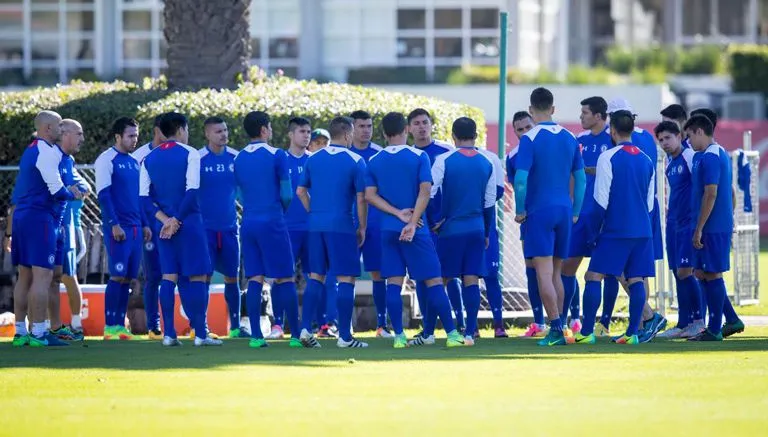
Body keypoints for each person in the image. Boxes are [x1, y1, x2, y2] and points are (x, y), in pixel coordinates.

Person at [365, 112, 465, 348]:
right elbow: (425, 190)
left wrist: (397, 213)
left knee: (393, 284)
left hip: (388, 229)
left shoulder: (374, 161)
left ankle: (399, 336)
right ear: (406, 130)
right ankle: (452, 335)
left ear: (383, 134)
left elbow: (370, 196)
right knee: (434, 282)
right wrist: (412, 221)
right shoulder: (419, 156)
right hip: (416, 230)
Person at [575, 109, 655, 345]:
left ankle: (587, 331)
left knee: (593, 276)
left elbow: (600, 201)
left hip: (615, 229)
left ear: (612, 130)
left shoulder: (607, 157)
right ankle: (632, 334)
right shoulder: (646, 160)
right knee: (636, 279)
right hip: (642, 229)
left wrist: (593, 232)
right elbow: (650, 204)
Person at [513, 87, 586, 346]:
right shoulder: (569, 137)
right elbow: (581, 179)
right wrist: (575, 211)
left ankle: (555, 328)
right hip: (564, 211)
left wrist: (520, 210)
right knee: (557, 273)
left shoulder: (529, 139)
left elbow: (520, 180)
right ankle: (563, 324)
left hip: (539, 211)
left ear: (532, 110)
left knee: (543, 274)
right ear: (553, 109)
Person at [140, 111, 220, 347]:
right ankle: (200, 334)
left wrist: (165, 220)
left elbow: (143, 200)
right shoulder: (190, 154)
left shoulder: (149, 158)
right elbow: (192, 190)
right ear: (181, 129)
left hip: (163, 227)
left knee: (168, 276)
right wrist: (176, 219)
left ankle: (169, 334)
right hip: (189, 223)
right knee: (197, 276)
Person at [9, 111, 84, 347]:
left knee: (26, 276)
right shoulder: (45, 150)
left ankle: (21, 333)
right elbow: (57, 190)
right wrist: (74, 193)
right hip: (40, 219)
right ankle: (39, 334)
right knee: (43, 276)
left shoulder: (32, 149)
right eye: (59, 127)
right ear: (48, 129)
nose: (62, 131)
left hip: (25, 216)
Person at [297, 116, 368, 348]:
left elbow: (300, 191)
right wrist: (362, 227)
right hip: (342, 226)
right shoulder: (356, 160)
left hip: (316, 225)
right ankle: (345, 338)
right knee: (346, 278)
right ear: (348, 135)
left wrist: (313, 212)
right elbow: (361, 198)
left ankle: (306, 329)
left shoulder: (313, 158)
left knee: (316, 277)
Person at [234, 111, 300, 349]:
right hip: (272, 220)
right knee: (285, 278)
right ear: (264, 130)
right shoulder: (277, 155)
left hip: (249, 222)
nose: (271, 131)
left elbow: (238, 194)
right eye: (270, 127)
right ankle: (295, 337)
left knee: (255, 278)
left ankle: (256, 337)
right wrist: (277, 211)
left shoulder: (239, 158)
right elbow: (287, 194)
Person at [430, 117, 497, 346]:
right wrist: (487, 232)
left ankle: (431, 332)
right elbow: (490, 204)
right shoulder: (487, 162)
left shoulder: (444, 160)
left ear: (453, 137)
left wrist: (432, 221)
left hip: (451, 230)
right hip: (477, 228)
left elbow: (429, 192)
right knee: (471, 279)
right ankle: (470, 333)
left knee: (438, 280)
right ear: (475, 136)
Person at [604, 98, 667, 341]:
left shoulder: (625, 141)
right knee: (639, 270)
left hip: (626, 213)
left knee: (623, 268)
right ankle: (642, 323)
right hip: (646, 211)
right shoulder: (646, 139)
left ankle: (646, 318)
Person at [684, 115, 744, 341]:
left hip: (711, 226)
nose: (688, 141)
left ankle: (715, 328)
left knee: (711, 273)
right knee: (701, 272)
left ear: (699, 131)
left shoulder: (711, 156)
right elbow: (729, 191)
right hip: (710, 224)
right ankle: (731, 319)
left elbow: (712, 193)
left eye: (689, 136)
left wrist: (701, 227)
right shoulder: (705, 155)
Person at [407, 108, 465, 339]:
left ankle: (460, 323)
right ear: (409, 128)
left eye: (425, 122)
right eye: (417, 123)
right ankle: (428, 329)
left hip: (446, 224)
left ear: (432, 125)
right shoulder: (408, 155)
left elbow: (458, 186)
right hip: (421, 225)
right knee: (424, 276)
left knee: (450, 275)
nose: (422, 127)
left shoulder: (447, 152)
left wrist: (447, 216)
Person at [95, 117, 151, 340]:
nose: (135, 139)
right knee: (117, 277)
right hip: (119, 229)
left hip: (136, 228)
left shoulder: (133, 161)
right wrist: (114, 224)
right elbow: (104, 196)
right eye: (130, 135)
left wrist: (145, 223)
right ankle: (110, 326)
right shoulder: (106, 159)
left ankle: (120, 327)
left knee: (128, 278)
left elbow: (138, 197)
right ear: (118, 136)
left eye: (136, 135)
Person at [561, 97, 612, 337]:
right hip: (580, 216)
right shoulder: (578, 140)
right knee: (566, 268)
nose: (581, 117)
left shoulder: (612, 138)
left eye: (585, 113)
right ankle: (561, 323)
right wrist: (573, 204)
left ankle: (602, 324)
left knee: (608, 271)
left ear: (599, 116)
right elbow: (573, 174)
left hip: (605, 216)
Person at [654, 121, 705, 338]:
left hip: (687, 224)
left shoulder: (690, 157)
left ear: (679, 136)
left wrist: (699, 223)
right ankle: (683, 323)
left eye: (668, 138)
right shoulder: (668, 161)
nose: (664, 143)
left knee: (686, 271)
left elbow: (704, 188)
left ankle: (699, 321)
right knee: (677, 272)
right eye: (661, 140)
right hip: (673, 224)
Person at [198, 116, 247, 339]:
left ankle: (235, 327)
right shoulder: (197, 159)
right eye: (218, 131)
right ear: (207, 134)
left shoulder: (236, 159)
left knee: (232, 277)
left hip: (229, 229)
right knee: (203, 278)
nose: (224, 134)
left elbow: (245, 194)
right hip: (204, 230)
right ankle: (201, 326)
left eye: (225, 130)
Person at [348, 110, 391, 338]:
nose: (366, 130)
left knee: (378, 274)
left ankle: (382, 326)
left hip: (375, 224)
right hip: (348, 224)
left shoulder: (379, 156)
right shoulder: (345, 155)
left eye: (369, 126)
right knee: (346, 275)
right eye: (362, 126)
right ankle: (343, 326)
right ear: (352, 128)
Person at [508, 111, 547, 338]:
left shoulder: (547, 148)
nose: (524, 133)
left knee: (561, 269)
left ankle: (572, 319)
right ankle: (539, 322)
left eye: (527, 127)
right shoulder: (512, 157)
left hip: (553, 214)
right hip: (529, 217)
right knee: (532, 269)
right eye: (519, 129)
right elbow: (517, 186)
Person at [271, 116, 311, 339]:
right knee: (282, 277)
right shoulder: (280, 159)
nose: (306, 135)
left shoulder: (315, 160)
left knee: (316, 276)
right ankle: (278, 325)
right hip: (285, 229)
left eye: (308, 131)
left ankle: (319, 324)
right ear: (290, 134)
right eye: (302, 131)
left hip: (311, 229)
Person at [132, 114, 164, 339]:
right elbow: (136, 196)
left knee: (183, 275)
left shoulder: (183, 154)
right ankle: (154, 326)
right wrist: (144, 223)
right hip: (150, 226)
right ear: (156, 131)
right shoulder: (139, 157)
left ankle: (194, 324)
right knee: (154, 277)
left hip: (175, 224)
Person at [477, 143, 506, 337]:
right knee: (467, 276)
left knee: (490, 275)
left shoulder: (491, 158)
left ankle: (498, 324)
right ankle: (471, 326)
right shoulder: (450, 158)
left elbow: (499, 191)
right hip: (467, 225)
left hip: (485, 224)